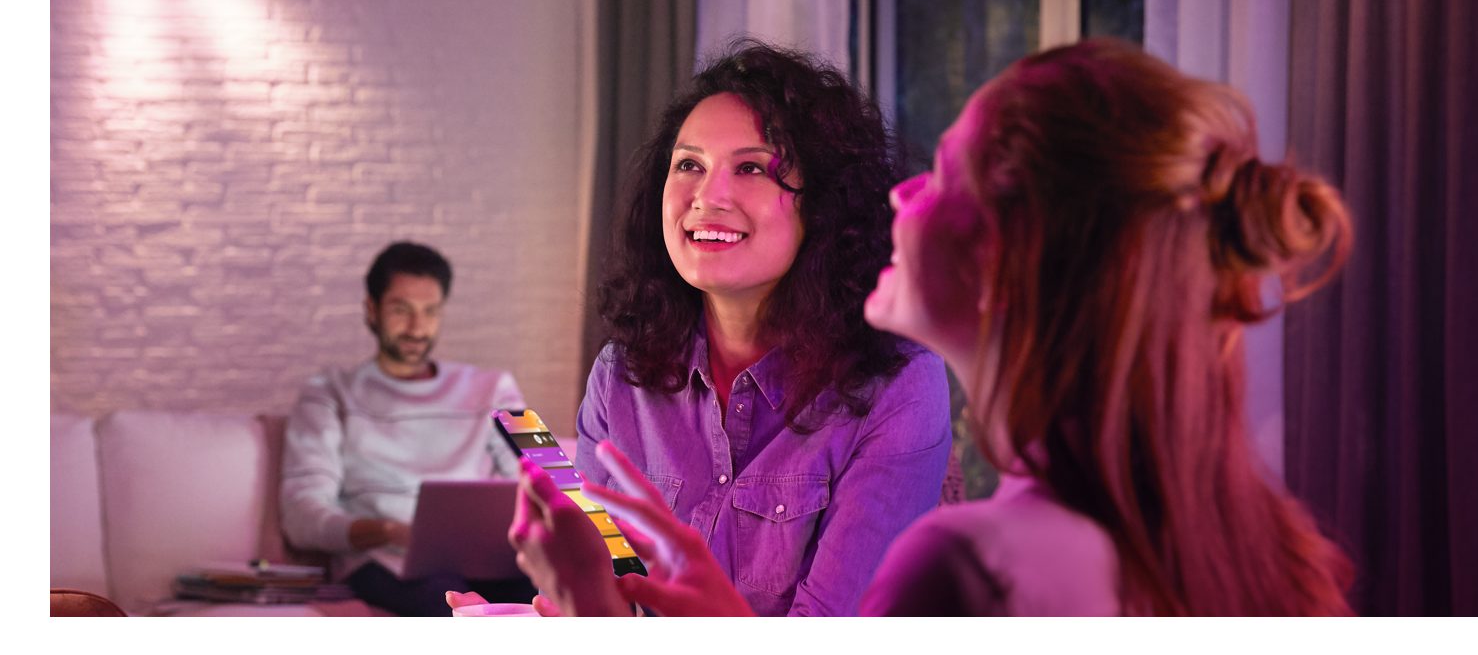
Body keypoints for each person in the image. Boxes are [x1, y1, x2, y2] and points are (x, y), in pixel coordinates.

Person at [507, 39, 1354, 616]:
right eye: (687, 165)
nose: (902, 196)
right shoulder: (1208, 528)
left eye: (946, 175)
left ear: (1016, 255)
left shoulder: (968, 563)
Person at [462, 41, 952, 617]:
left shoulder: (898, 386)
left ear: (824, 205)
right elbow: (614, 610)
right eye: (689, 165)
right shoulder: (622, 377)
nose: (707, 197)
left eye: (750, 168)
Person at [280, 241, 531, 616]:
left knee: (551, 595)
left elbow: (549, 477)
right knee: (451, 604)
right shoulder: (329, 393)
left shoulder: (496, 388)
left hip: (488, 558)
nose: (417, 327)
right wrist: (389, 532)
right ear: (371, 309)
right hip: (384, 563)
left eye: (430, 312)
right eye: (402, 310)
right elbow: (302, 515)